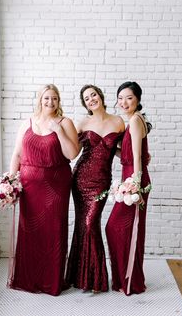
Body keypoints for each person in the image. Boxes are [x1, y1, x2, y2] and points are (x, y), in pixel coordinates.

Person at [7, 84, 79, 296]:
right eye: (47, 98)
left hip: (56, 186)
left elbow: (72, 154)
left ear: (59, 101)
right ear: (40, 99)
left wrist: (58, 131)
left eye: (54, 98)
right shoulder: (27, 123)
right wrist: (11, 181)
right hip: (29, 188)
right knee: (30, 231)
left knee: (53, 232)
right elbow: (17, 155)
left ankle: (51, 281)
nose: (50, 102)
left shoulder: (65, 122)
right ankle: (29, 279)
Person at [66, 84, 125, 293]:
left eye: (93, 95)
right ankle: (81, 277)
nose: (91, 99)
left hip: (101, 181)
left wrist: (138, 158)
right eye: (87, 98)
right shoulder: (82, 123)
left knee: (92, 223)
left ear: (100, 96)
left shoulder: (118, 122)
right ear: (85, 104)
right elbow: (73, 152)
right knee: (83, 224)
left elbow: (119, 150)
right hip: (80, 178)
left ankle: (95, 278)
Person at [106, 81, 152, 296]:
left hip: (134, 182)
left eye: (129, 98)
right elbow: (128, 155)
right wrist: (106, 149)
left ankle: (130, 281)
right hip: (131, 178)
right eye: (120, 97)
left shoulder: (134, 120)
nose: (123, 102)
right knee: (123, 229)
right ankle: (126, 278)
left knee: (119, 227)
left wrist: (136, 185)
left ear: (138, 100)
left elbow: (136, 157)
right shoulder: (133, 121)